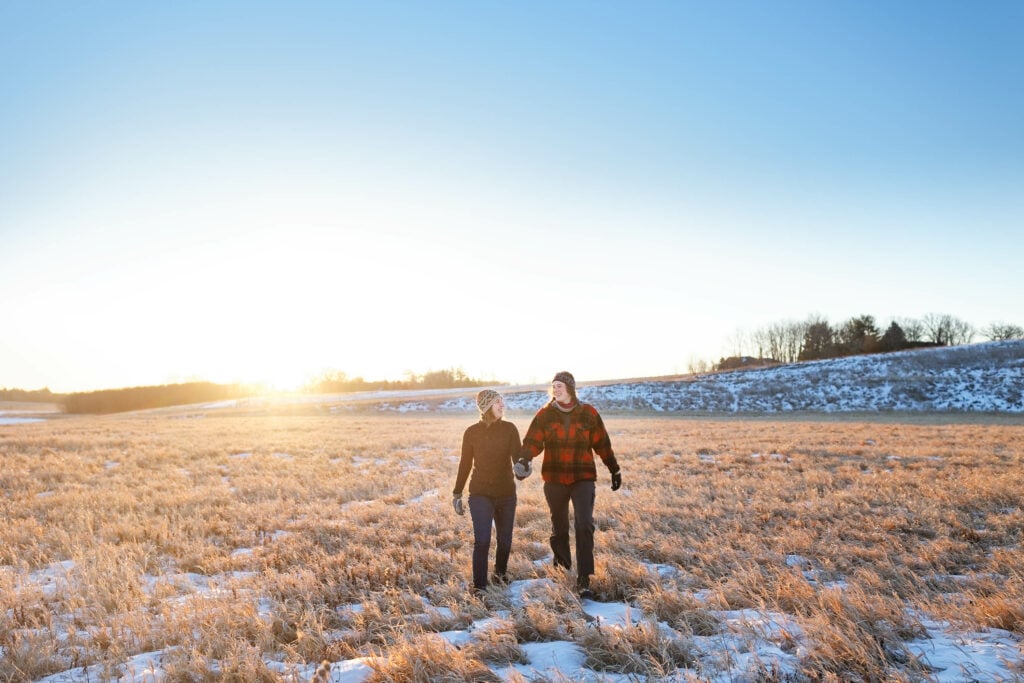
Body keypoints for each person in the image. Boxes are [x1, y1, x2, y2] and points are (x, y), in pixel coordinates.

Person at [514, 371, 621, 599]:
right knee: (559, 528)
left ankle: (584, 579)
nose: (556, 389)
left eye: (560, 385)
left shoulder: (588, 413)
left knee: (584, 525)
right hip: (554, 479)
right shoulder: (545, 415)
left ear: (570, 388)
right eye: (553, 386)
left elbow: (602, 443)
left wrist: (614, 469)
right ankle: (562, 571)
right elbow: (533, 441)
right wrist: (524, 459)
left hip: (582, 478)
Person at [452, 389, 522, 593]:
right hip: (480, 493)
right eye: (497, 402)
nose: (503, 405)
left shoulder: (510, 429)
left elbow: (518, 460)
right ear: (486, 406)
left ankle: (500, 575)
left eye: (503, 401)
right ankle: (479, 587)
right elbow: (465, 464)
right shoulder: (472, 432)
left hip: (506, 494)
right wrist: (457, 493)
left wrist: (523, 469)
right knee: (482, 540)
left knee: (505, 541)